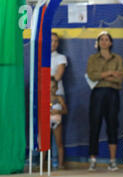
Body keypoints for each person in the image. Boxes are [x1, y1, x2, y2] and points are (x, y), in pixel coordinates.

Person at [86, 31, 123, 171]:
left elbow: (119, 78)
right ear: (98, 42)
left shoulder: (117, 59)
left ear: (110, 42)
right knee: (94, 125)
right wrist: (110, 73)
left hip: (112, 94)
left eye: (106, 39)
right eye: (101, 39)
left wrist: (101, 76)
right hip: (97, 94)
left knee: (112, 125)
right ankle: (92, 160)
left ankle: (113, 160)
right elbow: (91, 75)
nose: (104, 42)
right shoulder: (92, 58)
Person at [50, 33, 68, 168]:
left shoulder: (61, 57)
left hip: (57, 93)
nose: (54, 43)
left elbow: (57, 76)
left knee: (57, 133)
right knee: (42, 131)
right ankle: (39, 159)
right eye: (51, 41)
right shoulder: (40, 56)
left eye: (56, 41)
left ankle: (56, 160)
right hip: (43, 96)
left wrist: (50, 84)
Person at [50, 77, 67, 169]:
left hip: (57, 122)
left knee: (59, 143)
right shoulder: (44, 98)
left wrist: (58, 112)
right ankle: (42, 164)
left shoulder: (59, 98)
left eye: (53, 87)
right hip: (46, 122)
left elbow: (65, 111)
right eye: (49, 87)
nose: (51, 90)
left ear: (56, 88)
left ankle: (61, 164)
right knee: (44, 144)